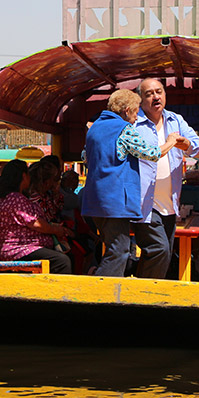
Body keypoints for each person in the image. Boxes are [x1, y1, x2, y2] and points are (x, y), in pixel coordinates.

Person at [82, 89, 179, 277]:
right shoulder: (124, 129)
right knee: (119, 251)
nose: (136, 119)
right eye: (135, 112)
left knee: (113, 248)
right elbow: (151, 153)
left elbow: (85, 156)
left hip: (94, 201)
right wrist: (171, 141)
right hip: (114, 203)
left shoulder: (94, 128)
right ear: (126, 111)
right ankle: (100, 293)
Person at [132, 78, 199, 279]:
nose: (155, 97)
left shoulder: (176, 120)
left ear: (165, 95)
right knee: (159, 250)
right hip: (144, 205)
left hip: (171, 205)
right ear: (140, 99)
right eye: (149, 94)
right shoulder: (133, 123)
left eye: (159, 92)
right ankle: (146, 298)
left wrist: (186, 144)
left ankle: (139, 293)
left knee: (160, 255)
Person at [0, 159, 72, 274]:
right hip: (17, 250)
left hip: (24, 247)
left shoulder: (7, 197)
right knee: (62, 261)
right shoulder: (15, 199)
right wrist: (56, 230)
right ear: (24, 176)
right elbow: (38, 224)